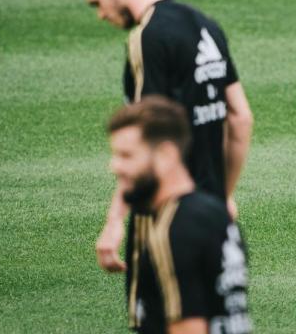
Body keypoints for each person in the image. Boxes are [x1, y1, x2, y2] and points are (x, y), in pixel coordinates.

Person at [77, 0, 253, 277]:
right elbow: (240, 117)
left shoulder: (148, 36)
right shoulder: (204, 24)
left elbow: (143, 138)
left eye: (96, 3)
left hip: (165, 214)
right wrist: (222, 194)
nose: (100, 15)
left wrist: (115, 221)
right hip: (211, 213)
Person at [107, 96, 251, 334]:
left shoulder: (172, 231)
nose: (114, 166)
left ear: (165, 155)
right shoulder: (215, 214)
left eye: (127, 156)